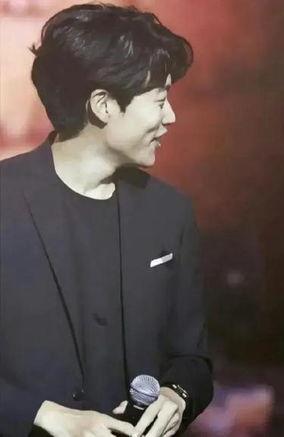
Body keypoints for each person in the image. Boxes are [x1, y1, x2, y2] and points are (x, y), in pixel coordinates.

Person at [0, 4, 212, 436]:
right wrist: (43, 415)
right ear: (104, 105)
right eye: (159, 100)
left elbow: (193, 359)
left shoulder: (169, 213)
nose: (171, 117)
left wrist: (177, 395)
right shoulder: (5, 201)